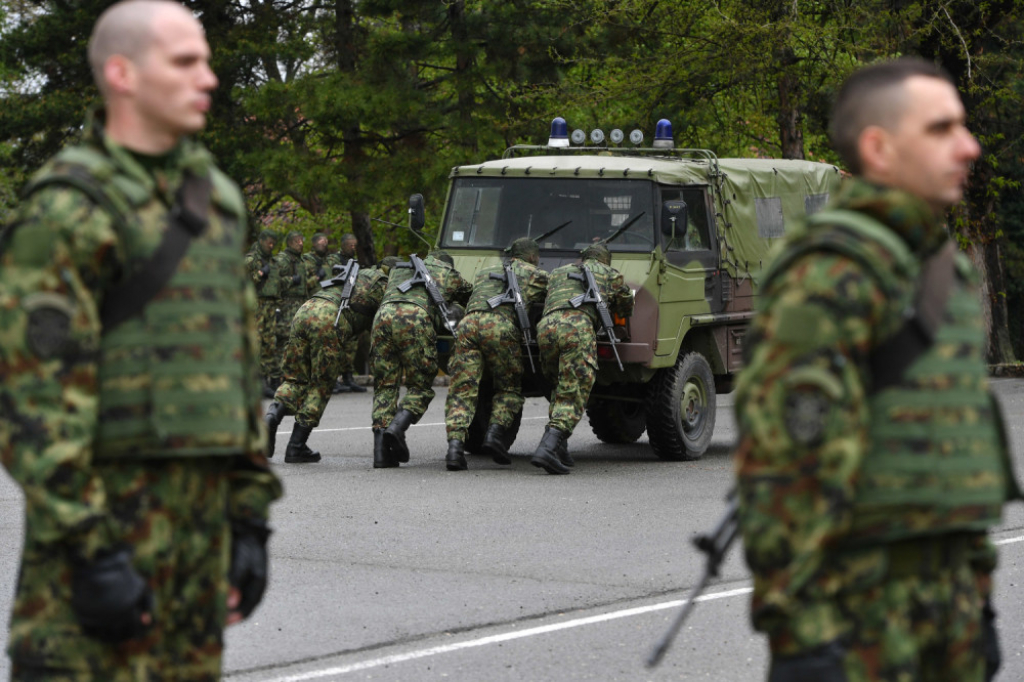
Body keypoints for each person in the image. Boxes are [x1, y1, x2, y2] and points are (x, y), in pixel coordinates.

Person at [0, 2, 283, 679]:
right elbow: (32, 398)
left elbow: (238, 367)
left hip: (197, 565)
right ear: (122, 74)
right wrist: (92, 550)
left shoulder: (215, 199)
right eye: (185, 62)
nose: (207, 78)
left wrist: (249, 520)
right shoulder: (66, 208)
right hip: (96, 562)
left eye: (207, 60)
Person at [732, 57, 1019, 682]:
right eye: (942, 130)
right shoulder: (831, 272)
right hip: (857, 630)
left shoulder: (942, 267)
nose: (968, 147)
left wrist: (979, 606)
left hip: (948, 625)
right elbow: (786, 470)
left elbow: (954, 461)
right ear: (879, 148)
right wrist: (805, 641)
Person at [264, 257, 398, 463]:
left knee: (294, 379)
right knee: (321, 385)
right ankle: (296, 446)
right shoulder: (385, 284)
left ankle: (272, 416)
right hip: (330, 319)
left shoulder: (358, 273)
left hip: (305, 310)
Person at [443, 238, 548, 470]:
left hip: (468, 325)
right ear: (531, 256)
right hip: (500, 327)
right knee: (508, 387)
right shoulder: (535, 274)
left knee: (463, 389)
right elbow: (553, 298)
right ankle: (494, 434)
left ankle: (454, 449)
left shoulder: (485, 271)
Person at [531, 243, 633, 474]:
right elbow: (626, 303)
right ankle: (547, 447)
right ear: (605, 259)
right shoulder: (610, 273)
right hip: (577, 328)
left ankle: (560, 448)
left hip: (546, 328)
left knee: (560, 385)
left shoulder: (558, 272)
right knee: (574, 390)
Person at [371, 250, 472, 468]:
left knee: (385, 385)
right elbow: (470, 296)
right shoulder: (448, 272)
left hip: (383, 316)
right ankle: (397, 428)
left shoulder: (400, 268)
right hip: (415, 318)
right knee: (420, 386)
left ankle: (381, 454)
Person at [327, 232, 366, 393]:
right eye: (350, 245)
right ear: (343, 245)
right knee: (335, 342)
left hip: (352, 305)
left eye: (354, 245)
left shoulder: (356, 261)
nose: (353, 247)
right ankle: (332, 378)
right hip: (337, 304)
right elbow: (331, 280)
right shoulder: (333, 260)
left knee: (351, 343)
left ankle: (348, 377)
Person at [245, 229, 283, 397]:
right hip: (256, 305)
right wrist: (260, 274)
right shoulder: (251, 260)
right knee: (257, 342)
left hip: (270, 306)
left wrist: (278, 305)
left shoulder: (273, 261)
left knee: (270, 342)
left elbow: (277, 285)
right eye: (268, 241)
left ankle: (272, 379)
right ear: (261, 241)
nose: (271, 244)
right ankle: (258, 380)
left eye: (273, 242)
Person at [273, 230, 310, 358]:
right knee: (286, 338)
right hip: (287, 305)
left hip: (301, 304)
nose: (300, 244)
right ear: (289, 243)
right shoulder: (282, 260)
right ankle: (278, 373)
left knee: (300, 339)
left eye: (301, 241)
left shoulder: (301, 260)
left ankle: (293, 372)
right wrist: (291, 280)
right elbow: (272, 282)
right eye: (297, 241)